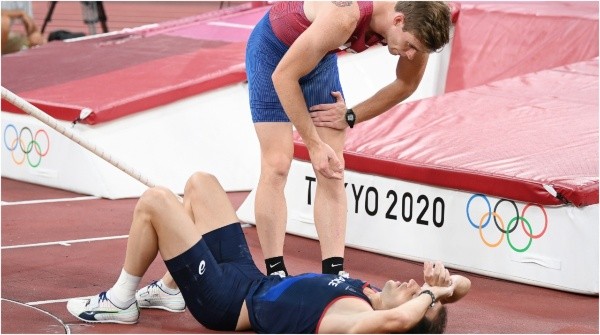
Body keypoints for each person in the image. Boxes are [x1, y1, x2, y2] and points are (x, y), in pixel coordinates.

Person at [66, 171, 471, 333]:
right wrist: (444, 286)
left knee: (156, 200)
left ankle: (121, 300)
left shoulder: (358, 319)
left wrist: (427, 296)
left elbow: (401, 317)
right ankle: (172, 290)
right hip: (247, 275)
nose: (413, 284)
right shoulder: (368, 292)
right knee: (201, 184)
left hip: (226, 302)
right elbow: (463, 286)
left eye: (415, 294)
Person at [245, 1, 453, 277]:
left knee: (333, 168)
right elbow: (284, 76)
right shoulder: (344, 17)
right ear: (398, 21)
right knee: (278, 163)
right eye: (411, 46)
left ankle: (334, 274)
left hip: (318, 57)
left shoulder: (418, 24)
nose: (411, 55)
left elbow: (406, 84)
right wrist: (314, 145)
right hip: (272, 53)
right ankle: (275, 273)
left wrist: (351, 115)